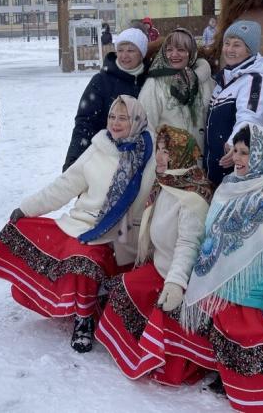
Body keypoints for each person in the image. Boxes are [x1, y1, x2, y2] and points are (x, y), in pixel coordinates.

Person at [0, 96, 156, 353]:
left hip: (123, 235)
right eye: (112, 117)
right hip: (84, 225)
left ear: (137, 120)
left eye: (123, 118)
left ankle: (89, 310)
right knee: (56, 241)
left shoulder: (150, 154)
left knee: (86, 256)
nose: (115, 123)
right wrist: (27, 208)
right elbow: (65, 185)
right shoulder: (99, 148)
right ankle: (82, 317)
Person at [182, 124, 263, 413]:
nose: (237, 158)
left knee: (262, 366)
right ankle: (226, 372)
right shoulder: (230, 185)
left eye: (245, 152)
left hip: (253, 297)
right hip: (222, 290)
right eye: (235, 151)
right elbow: (208, 239)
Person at [96, 125, 214, 385]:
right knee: (124, 289)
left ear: (181, 154)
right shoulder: (168, 182)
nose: (159, 156)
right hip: (160, 265)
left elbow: (188, 245)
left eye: (166, 151)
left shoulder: (193, 197)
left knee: (170, 367)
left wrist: (175, 283)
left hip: (183, 279)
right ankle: (138, 341)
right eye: (158, 150)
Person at [63, 28, 148, 171]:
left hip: (143, 158)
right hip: (106, 159)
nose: (124, 55)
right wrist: (73, 162)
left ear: (142, 53)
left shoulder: (149, 81)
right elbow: (85, 124)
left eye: (131, 50)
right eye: (120, 50)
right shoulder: (102, 81)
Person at [204, 20, 263, 186]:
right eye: (227, 43)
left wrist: (233, 145)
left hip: (239, 175)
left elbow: (251, 118)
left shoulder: (256, 80)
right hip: (218, 175)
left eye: (237, 45)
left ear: (250, 50)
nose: (229, 50)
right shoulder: (225, 79)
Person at [139, 27, 214, 149]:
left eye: (181, 49)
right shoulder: (154, 84)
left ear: (191, 53)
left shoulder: (206, 82)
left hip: (202, 162)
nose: (174, 54)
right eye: (169, 50)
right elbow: (146, 127)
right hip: (168, 164)